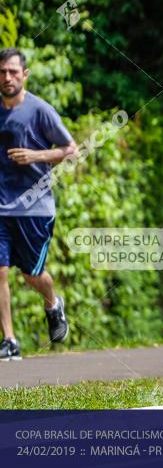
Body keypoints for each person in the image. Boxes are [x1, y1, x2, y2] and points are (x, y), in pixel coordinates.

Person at [0, 48, 77, 361]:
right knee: (0, 271)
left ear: (25, 75)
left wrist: (36, 156)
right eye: (3, 72)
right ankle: (9, 341)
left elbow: (71, 150)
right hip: (1, 207)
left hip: (35, 208)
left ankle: (52, 303)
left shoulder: (40, 111)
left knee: (32, 276)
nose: (7, 77)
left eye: (13, 72)